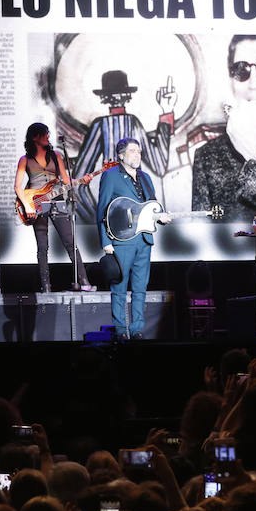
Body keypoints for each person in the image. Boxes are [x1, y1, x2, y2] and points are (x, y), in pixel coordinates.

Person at [72, 70, 177, 221]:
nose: (117, 97)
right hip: (112, 204)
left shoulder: (130, 123)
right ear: (105, 97)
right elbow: (78, 183)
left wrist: (167, 111)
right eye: (113, 94)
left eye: (119, 93)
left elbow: (159, 165)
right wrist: (96, 218)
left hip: (137, 207)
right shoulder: (102, 125)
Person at [192, 34, 256, 220]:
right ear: (231, 81)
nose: (254, 84)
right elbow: (201, 234)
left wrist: (254, 157)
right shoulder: (207, 157)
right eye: (241, 70)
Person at [97, 137, 170, 338]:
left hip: (144, 239)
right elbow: (102, 210)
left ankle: (137, 330)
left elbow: (152, 203)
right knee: (119, 288)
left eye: (139, 151)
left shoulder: (145, 177)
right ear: (121, 155)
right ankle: (121, 330)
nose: (137, 155)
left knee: (140, 288)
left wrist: (161, 216)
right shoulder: (111, 176)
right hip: (121, 240)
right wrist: (106, 242)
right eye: (132, 151)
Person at [15, 123, 95, 292]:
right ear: (35, 137)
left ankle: (84, 281)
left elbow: (66, 181)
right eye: (45, 134)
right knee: (42, 247)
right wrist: (28, 207)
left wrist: (82, 180)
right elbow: (17, 187)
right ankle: (46, 287)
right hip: (36, 205)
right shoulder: (25, 159)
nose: (48, 136)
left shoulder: (56, 155)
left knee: (70, 242)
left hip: (57, 201)